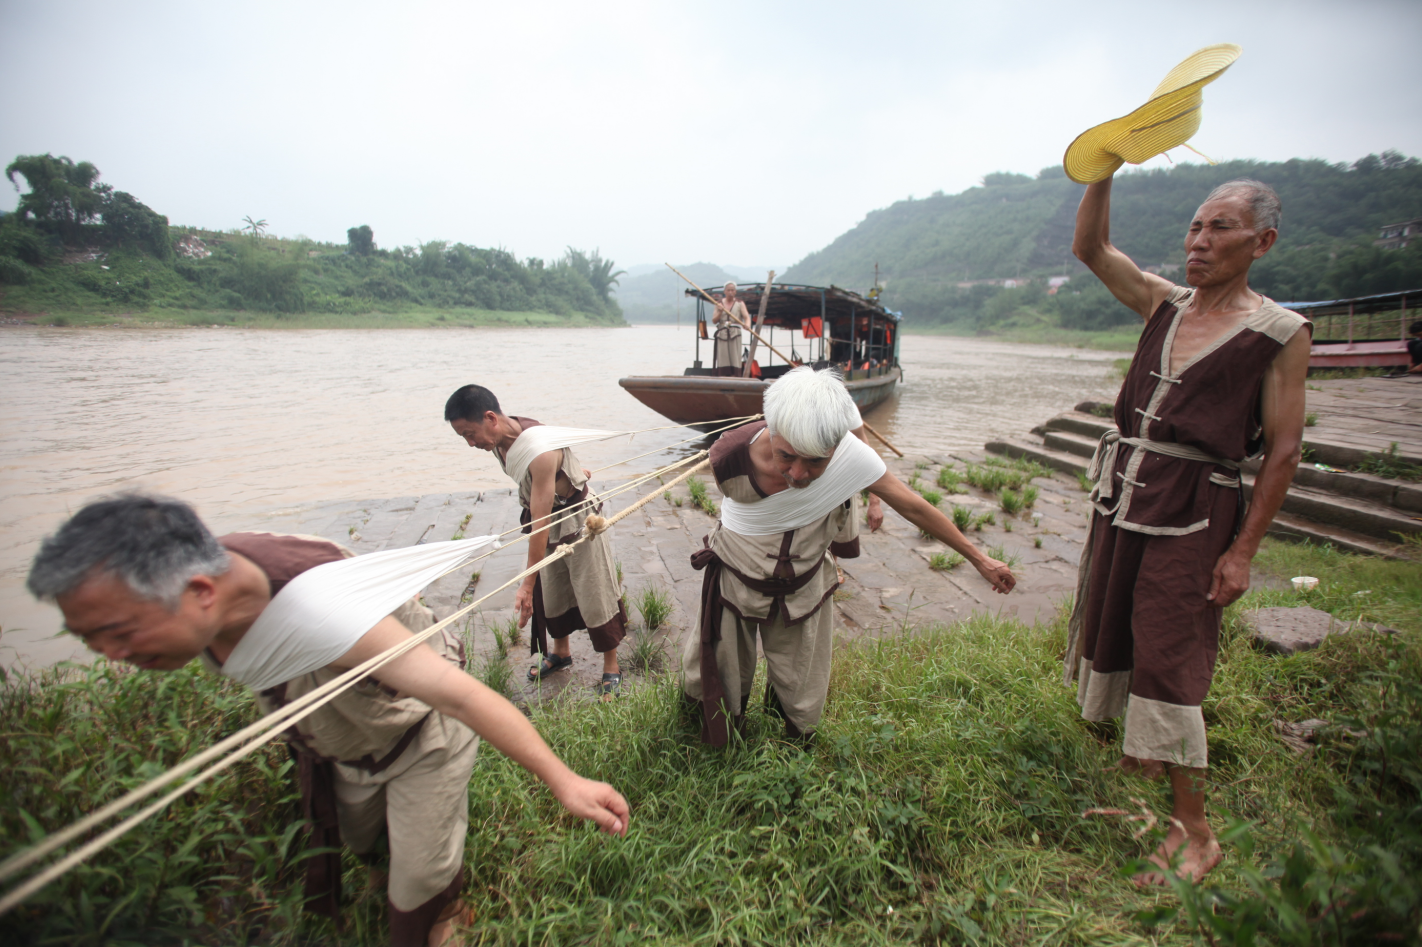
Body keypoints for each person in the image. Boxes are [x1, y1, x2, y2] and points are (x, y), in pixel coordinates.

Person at [26, 495, 630, 947]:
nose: (111, 655)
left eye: (117, 633)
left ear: (201, 591)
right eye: (89, 639)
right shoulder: (212, 573)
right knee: (366, 847)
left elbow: (460, 697)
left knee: (416, 890)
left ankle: (441, 915)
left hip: (420, 734)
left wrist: (564, 782)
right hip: (336, 742)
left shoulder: (320, 614)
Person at [1069, 177, 1310, 886]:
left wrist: (1242, 552)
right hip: (1129, 495)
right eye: (1196, 226)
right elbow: (1091, 247)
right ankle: (1150, 771)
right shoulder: (1164, 302)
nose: (1199, 241)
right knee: (1119, 631)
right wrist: (1103, 168)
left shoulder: (1279, 333)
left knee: (1173, 656)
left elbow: (1284, 450)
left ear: (1261, 242)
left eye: (1221, 228)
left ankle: (1195, 831)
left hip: (1198, 508)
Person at [681, 366, 1015, 746]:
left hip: (802, 585)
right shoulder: (729, 457)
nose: (799, 474)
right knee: (725, 670)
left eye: (816, 462)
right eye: (786, 456)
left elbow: (915, 507)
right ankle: (723, 743)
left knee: (802, 678)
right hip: (736, 580)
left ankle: (796, 748)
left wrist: (979, 559)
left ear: (836, 447)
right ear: (771, 430)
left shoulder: (852, 458)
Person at [445, 385, 628, 698]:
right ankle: (560, 652)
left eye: (469, 433)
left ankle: (612, 665)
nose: (470, 442)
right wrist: (573, 471)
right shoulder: (499, 440)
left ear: (490, 418)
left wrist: (525, 584)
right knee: (554, 589)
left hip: (576, 520)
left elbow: (540, 519)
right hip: (547, 512)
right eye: (463, 435)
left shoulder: (539, 449)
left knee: (594, 589)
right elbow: (539, 486)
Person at [712, 281, 749, 374]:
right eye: (728, 290)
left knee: (735, 357)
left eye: (732, 290)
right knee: (723, 357)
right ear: (724, 291)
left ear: (735, 292)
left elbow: (746, 317)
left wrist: (747, 324)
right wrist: (720, 311)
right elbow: (714, 320)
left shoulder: (740, 303)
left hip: (735, 334)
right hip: (722, 334)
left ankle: (735, 377)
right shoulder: (719, 303)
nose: (730, 292)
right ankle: (723, 377)